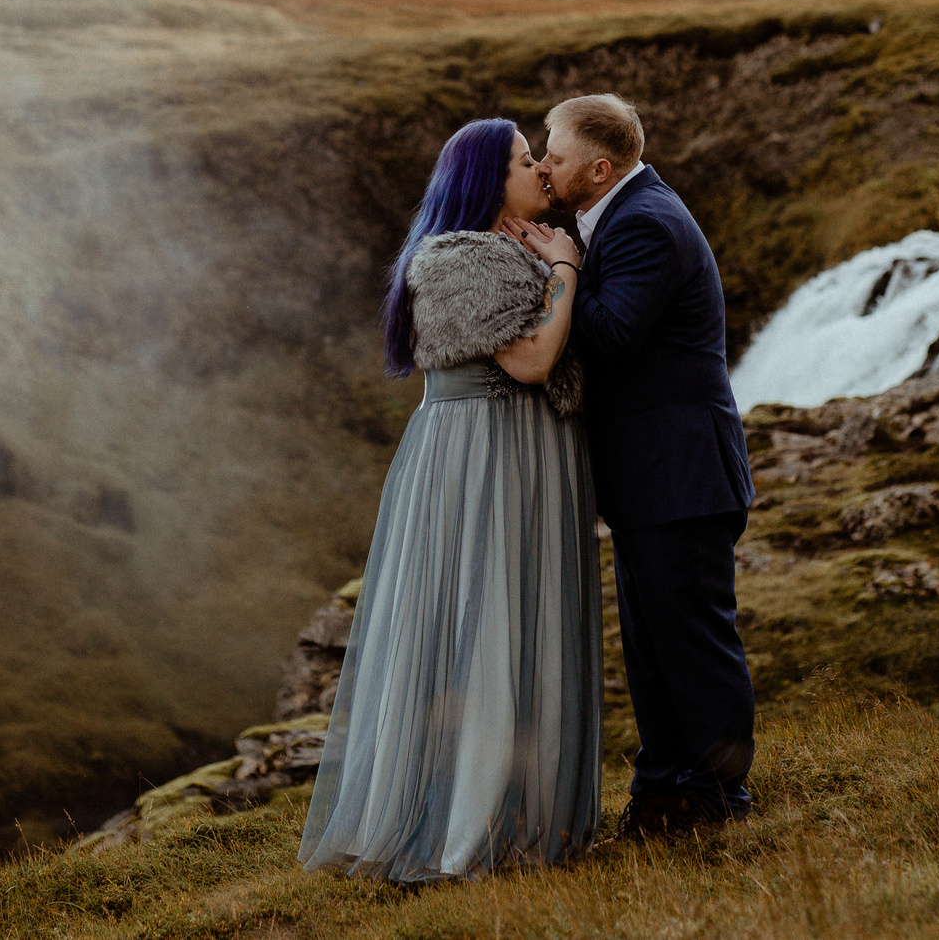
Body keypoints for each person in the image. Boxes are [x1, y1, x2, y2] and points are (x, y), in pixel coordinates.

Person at [298, 117, 601, 881]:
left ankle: (523, 810)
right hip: (485, 457)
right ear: (486, 181)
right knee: (485, 617)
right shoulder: (458, 256)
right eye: (525, 161)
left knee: (518, 612)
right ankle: (469, 823)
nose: (540, 170)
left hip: (521, 453)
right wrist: (565, 270)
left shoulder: (512, 247)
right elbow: (531, 361)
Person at [539, 92, 755, 835]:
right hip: (654, 477)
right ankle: (664, 791)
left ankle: (720, 797)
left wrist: (561, 269)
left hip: (681, 473)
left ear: (599, 169)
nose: (544, 165)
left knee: (693, 643)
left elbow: (610, 333)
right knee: (654, 647)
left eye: (556, 154)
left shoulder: (646, 224)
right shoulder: (624, 213)